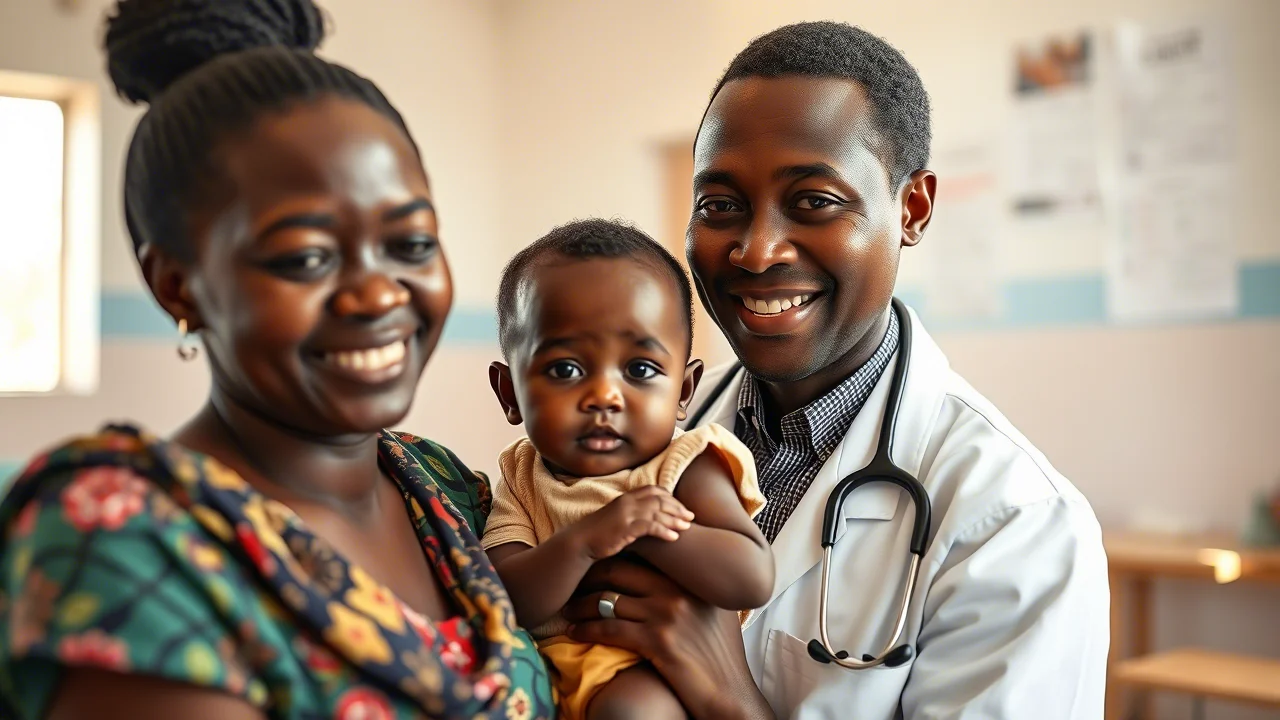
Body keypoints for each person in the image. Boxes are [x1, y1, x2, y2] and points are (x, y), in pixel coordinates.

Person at [0, 1, 555, 718]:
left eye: (411, 245)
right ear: (177, 284)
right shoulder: (132, 539)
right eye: (306, 258)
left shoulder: (446, 490)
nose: (378, 293)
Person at [561, 21, 1109, 720]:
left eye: (814, 201)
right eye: (720, 206)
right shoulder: (647, 441)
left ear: (912, 208)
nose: (756, 252)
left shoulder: (1015, 522)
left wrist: (726, 692)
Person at [484, 219, 775, 720]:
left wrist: (645, 534)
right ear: (510, 394)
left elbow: (749, 577)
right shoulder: (522, 475)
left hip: (647, 671)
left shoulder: (685, 464)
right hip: (545, 671)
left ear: (684, 391)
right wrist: (587, 540)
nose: (604, 396)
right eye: (564, 370)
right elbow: (506, 601)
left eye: (640, 370)